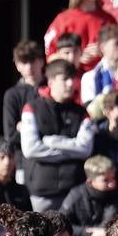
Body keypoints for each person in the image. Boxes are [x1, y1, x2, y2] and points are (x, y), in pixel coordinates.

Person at [20, 59, 95, 211]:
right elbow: (30, 149)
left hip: (74, 191)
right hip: (41, 193)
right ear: (51, 81)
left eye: (73, 79)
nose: (70, 83)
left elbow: (85, 149)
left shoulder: (82, 113)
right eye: (65, 79)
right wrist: (70, 150)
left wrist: (52, 141)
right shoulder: (32, 108)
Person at [62, 155, 118, 236]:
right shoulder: (76, 196)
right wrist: (87, 234)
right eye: (106, 180)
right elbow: (63, 225)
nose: (112, 184)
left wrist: (105, 232)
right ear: (90, 181)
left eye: (113, 178)